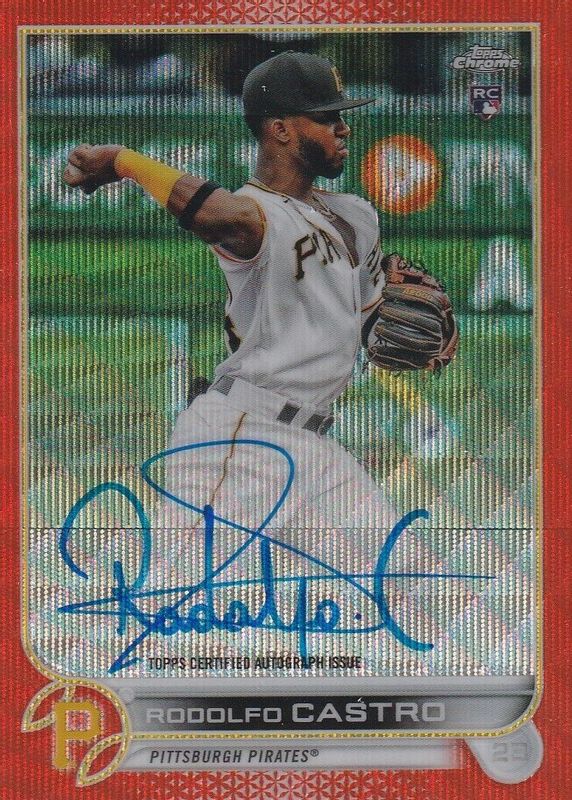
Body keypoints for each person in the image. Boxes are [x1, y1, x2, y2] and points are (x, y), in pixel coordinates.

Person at [63, 51, 398, 582]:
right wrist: (125, 161)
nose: (344, 128)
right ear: (280, 130)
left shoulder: (355, 215)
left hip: (316, 446)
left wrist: (406, 330)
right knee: (178, 599)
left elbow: (369, 319)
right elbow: (219, 214)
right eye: (327, 117)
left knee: (400, 577)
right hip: (242, 437)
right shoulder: (254, 213)